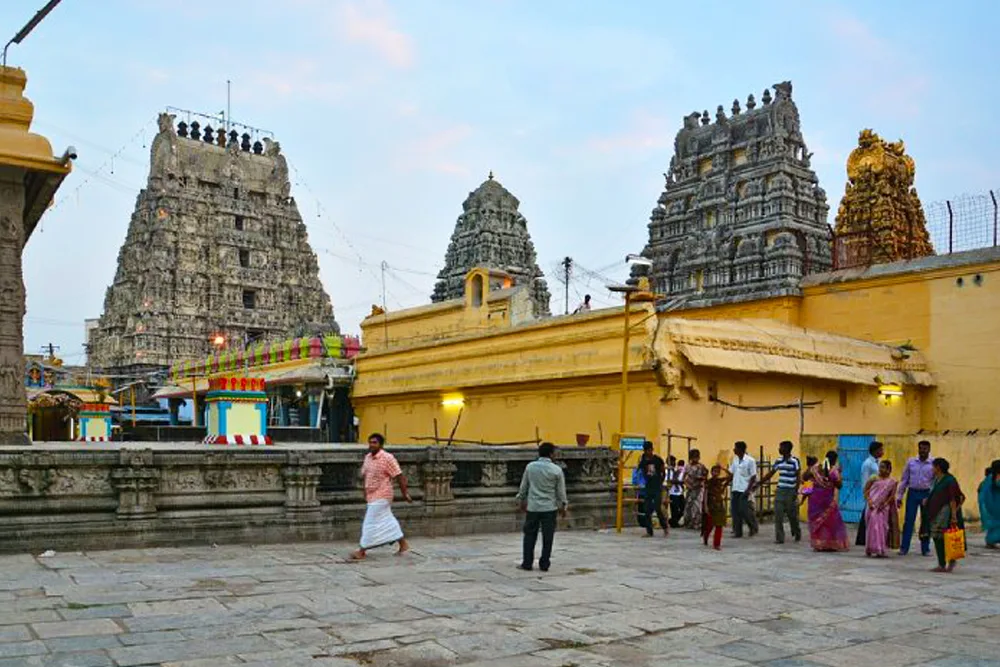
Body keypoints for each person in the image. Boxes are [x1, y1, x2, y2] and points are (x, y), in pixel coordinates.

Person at [350, 433, 412, 561]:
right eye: (370, 442)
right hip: (371, 494)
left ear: (381, 444)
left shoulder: (387, 458)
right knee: (388, 519)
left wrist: (405, 493)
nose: (372, 445)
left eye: (375, 443)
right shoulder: (367, 458)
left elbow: (399, 475)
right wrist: (364, 491)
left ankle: (362, 550)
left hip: (383, 494)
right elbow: (365, 476)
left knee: (370, 522)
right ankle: (403, 544)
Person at [515, 442, 569, 572]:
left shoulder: (530, 467)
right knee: (548, 536)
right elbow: (561, 492)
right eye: (555, 453)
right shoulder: (556, 470)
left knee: (529, 535)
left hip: (533, 507)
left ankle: (527, 563)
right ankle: (544, 563)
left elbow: (524, 487)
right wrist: (563, 506)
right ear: (551, 454)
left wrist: (520, 500)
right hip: (549, 508)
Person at [925, 457, 965, 573]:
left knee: (946, 537)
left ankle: (951, 561)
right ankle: (941, 563)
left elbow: (955, 498)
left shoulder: (950, 480)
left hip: (945, 512)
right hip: (936, 512)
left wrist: (953, 515)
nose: (932, 469)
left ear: (938, 467)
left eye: (933, 466)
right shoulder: (937, 480)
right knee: (937, 537)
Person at [758, 440, 801, 544]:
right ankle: (779, 537)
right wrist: (760, 482)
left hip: (790, 491)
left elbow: (798, 476)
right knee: (778, 515)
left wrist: (796, 491)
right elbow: (771, 473)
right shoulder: (778, 461)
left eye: (781, 447)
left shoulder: (795, 461)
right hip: (780, 490)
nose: (779, 449)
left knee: (792, 515)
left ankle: (796, 531)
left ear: (787, 449)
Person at [806, 451, 850, 552]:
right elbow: (839, 486)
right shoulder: (833, 471)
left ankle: (819, 544)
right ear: (834, 460)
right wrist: (840, 474)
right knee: (831, 523)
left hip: (815, 500)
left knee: (817, 523)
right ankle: (829, 544)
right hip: (827, 502)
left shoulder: (815, 468)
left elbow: (805, 477)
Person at [897, 440, 935, 556]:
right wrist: (899, 496)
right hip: (912, 493)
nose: (922, 451)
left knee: (926, 522)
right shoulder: (911, 462)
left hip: (926, 493)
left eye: (925, 449)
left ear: (929, 449)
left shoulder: (933, 463)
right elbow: (904, 480)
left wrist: (930, 496)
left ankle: (925, 548)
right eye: (920, 448)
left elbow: (934, 482)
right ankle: (904, 548)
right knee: (909, 521)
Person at [864, 460, 899, 558]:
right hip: (872, 507)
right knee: (872, 528)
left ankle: (881, 549)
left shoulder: (893, 482)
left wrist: (885, 504)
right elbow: (866, 491)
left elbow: (892, 496)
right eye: (880, 467)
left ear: (889, 470)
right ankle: (870, 548)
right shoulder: (873, 478)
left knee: (883, 528)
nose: (881, 469)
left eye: (883, 467)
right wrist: (870, 502)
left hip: (883, 508)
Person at [856, 441, 884, 547]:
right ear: (875, 451)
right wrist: (867, 493)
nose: (882, 452)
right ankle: (863, 538)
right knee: (868, 514)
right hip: (871, 492)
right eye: (881, 450)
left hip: (878, 492)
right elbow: (865, 479)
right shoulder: (868, 463)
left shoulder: (878, 462)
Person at [639, 441, 669, 537]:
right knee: (647, 509)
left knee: (657, 508)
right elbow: (641, 470)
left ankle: (665, 527)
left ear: (652, 450)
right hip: (648, 486)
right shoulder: (643, 460)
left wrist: (660, 482)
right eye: (646, 450)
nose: (647, 452)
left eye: (649, 450)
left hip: (657, 487)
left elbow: (663, 471)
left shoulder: (657, 460)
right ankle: (649, 531)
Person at [729, 441, 759, 538]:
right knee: (735, 511)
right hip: (736, 488)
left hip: (744, 488)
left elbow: (753, 476)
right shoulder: (735, 459)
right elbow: (731, 473)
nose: (734, 449)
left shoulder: (750, 461)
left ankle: (753, 527)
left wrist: (748, 489)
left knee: (744, 510)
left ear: (740, 449)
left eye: (735, 448)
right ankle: (738, 532)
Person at [702, 464, 729, 550]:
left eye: (717, 471)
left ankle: (716, 544)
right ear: (711, 472)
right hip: (711, 504)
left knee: (719, 525)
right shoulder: (708, 482)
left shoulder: (720, 481)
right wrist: (705, 506)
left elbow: (731, 476)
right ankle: (706, 536)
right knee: (710, 524)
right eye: (714, 471)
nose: (715, 473)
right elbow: (705, 494)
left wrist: (723, 468)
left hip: (719, 504)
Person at [682, 449, 708, 530]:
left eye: (696, 457)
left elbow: (705, 476)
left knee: (697, 507)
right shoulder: (687, 466)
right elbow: (684, 478)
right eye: (693, 457)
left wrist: (700, 479)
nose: (695, 459)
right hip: (690, 489)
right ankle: (688, 523)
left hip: (698, 489)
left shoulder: (701, 466)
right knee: (688, 506)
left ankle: (697, 523)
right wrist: (687, 484)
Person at [978, 460, 1000, 549]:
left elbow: (982, 490)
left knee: (994, 525)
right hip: (996, 504)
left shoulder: (989, 477)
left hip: (992, 504)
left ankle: (990, 541)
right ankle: (991, 540)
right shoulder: (996, 477)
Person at [667, 457, 686, 527]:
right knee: (674, 510)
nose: (673, 464)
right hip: (672, 493)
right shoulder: (667, 471)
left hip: (680, 492)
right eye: (671, 462)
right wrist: (678, 482)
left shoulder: (676, 470)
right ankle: (674, 522)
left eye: (674, 462)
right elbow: (669, 481)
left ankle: (672, 521)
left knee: (683, 508)